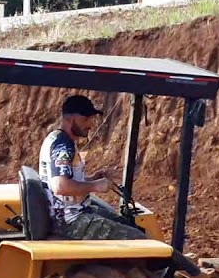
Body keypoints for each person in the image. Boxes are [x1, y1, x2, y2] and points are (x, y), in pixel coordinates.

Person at [38, 94, 148, 240]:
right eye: (85, 119)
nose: (90, 124)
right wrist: (95, 185)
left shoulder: (57, 139)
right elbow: (60, 186)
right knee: (139, 240)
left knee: (126, 223)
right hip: (70, 222)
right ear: (70, 119)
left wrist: (91, 179)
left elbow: (62, 180)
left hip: (71, 214)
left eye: (91, 118)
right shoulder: (63, 146)